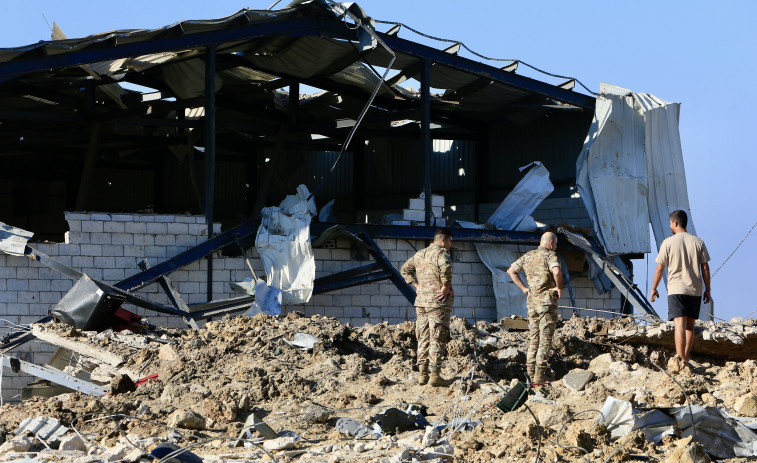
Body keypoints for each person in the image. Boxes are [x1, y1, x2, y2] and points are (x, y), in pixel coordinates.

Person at [650, 210, 711, 371]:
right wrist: (708, 290)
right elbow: (705, 268)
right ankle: (685, 358)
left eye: (670, 223)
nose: (670, 225)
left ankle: (681, 360)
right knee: (690, 326)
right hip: (695, 289)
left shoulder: (668, 242)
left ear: (675, 223)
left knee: (679, 325)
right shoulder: (698, 242)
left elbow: (659, 268)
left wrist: (654, 288)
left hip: (676, 289)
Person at [401, 228, 455, 387]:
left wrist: (417, 285)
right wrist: (445, 286)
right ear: (443, 240)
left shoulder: (419, 254)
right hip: (437, 302)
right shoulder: (442, 253)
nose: (452, 245)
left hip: (421, 302)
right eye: (451, 241)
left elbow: (405, 270)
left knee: (423, 337)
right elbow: (445, 269)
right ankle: (435, 376)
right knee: (437, 337)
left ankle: (422, 375)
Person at [506, 232, 563, 384]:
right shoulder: (550, 256)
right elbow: (556, 271)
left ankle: (530, 374)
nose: (555, 247)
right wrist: (559, 287)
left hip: (532, 304)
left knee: (534, 339)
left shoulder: (528, 256)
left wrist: (524, 289)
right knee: (545, 340)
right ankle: (539, 375)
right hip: (547, 305)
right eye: (555, 244)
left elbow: (511, 271)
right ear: (551, 243)